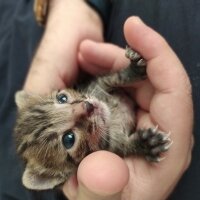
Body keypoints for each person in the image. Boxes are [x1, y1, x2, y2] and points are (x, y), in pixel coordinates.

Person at [0, 0, 198, 200]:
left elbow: (107, 82)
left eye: (62, 98)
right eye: (69, 139)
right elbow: (123, 147)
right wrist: (142, 144)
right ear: (57, 174)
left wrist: (71, 8)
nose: (82, 108)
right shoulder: (103, 150)